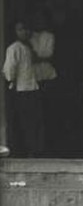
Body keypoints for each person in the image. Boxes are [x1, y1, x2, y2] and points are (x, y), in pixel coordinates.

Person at [3, 20, 44, 157]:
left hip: (31, 88)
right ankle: (22, 151)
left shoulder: (30, 48)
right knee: (23, 122)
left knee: (32, 123)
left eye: (26, 29)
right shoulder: (14, 48)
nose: (24, 32)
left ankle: (32, 151)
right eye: (20, 29)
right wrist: (11, 81)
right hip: (21, 90)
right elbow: (9, 71)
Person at [30, 10, 57, 152]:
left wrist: (36, 57)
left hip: (48, 77)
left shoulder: (49, 36)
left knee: (49, 112)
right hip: (34, 79)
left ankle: (49, 145)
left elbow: (48, 54)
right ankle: (37, 146)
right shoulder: (30, 37)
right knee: (36, 114)